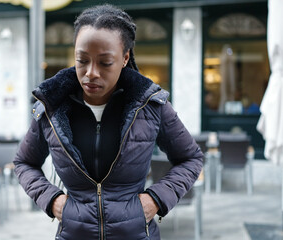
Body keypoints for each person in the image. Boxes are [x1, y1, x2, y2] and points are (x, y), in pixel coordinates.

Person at [14, 4, 203, 240]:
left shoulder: (151, 105)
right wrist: (52, 201)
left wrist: (155, 199)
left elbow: (191, 158)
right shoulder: (51, 107)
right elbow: (23, 163)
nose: (91, 72)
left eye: (105, 63)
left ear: (125, 58)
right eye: (82, 60)